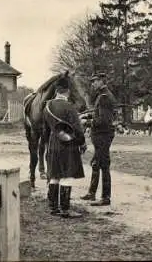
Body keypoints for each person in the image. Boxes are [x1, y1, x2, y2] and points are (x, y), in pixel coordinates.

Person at [43, 74, 87, 218]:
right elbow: (78, 129)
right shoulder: (69, 107)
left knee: (55, 175)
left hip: (52, 143)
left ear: (56, 90)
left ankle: (53, 207)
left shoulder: (47, 106)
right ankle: (65, 209)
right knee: (67, 176)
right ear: (67, 91)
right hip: (68, 144)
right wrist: (82, 142)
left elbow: (45, 129)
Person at [81, 72, 117, 206]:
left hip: (103, 135)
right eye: (92, 81)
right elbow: (99, 116)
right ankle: (92, 193)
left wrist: (87, 122)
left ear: (102, 81)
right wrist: (89, 117)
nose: (93, 84)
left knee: (103, 165)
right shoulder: (102, 96)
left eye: (95, 81)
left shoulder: (104, 97)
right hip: (101, 135)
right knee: (96, 163)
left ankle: (106, 197)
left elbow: (104, 120)